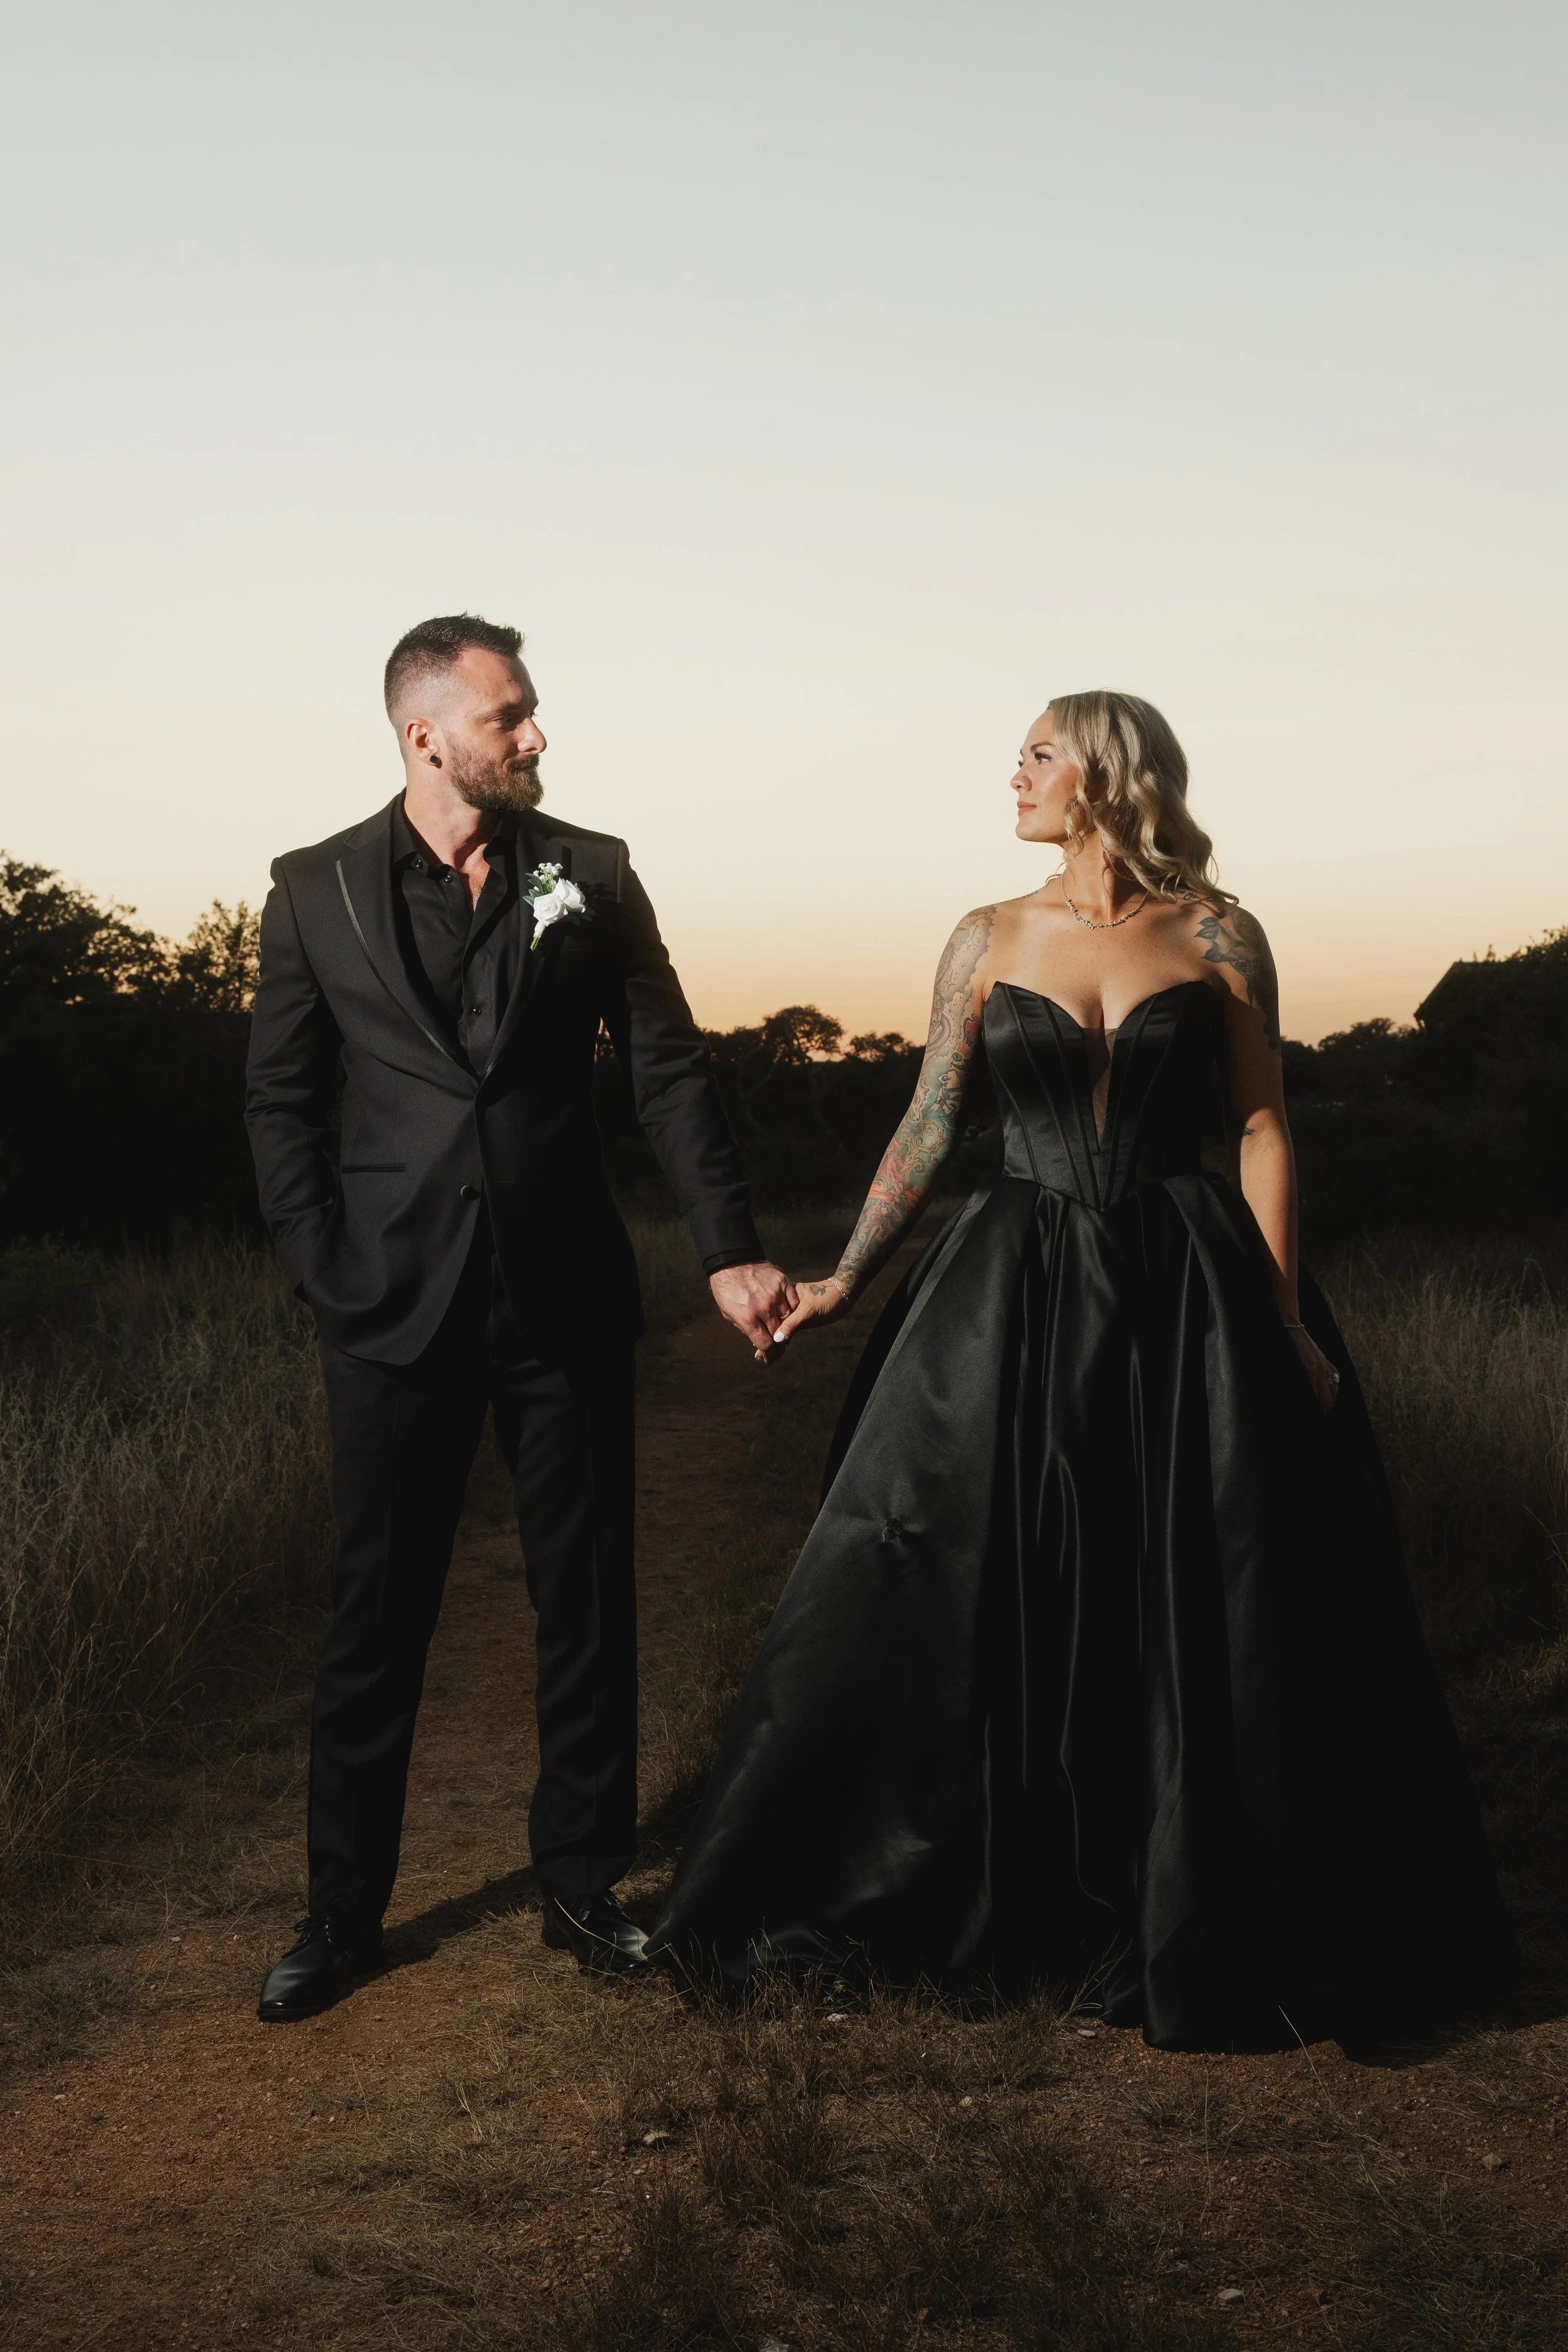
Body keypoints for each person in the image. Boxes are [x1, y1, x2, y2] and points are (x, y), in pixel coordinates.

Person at [648, 691, 1517, 2050]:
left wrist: (1282, 1321)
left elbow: (1262, 1132)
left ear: (1105, 778)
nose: (1013, 773)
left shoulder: (1218, 932)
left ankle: (1198, 1893)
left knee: (1198, 1579)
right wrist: (839, 1282)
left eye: (1036, 753)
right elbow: (929, 1127)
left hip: (1190, 1284)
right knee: (970, 1567)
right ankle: (1004, 1886)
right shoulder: (983, 934)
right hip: (1016, 1282)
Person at [245, 613, 793, 2020]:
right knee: (378, 1616)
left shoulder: (592, 876)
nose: (537, 737)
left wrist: (726, 1246)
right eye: (512, 718)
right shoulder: (312, 890)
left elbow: (666, 1069)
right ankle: (342, 1914)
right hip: (386, 1300)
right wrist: (323, 1263)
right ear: (425, 736)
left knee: (585, 1598)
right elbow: (281, 1102)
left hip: (561, 1290)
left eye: (534, 712)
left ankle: (581, 1885)